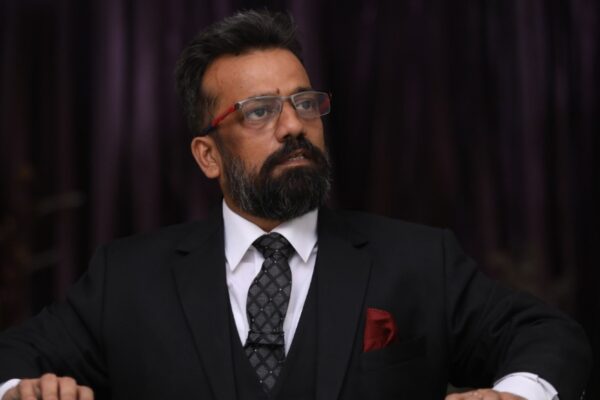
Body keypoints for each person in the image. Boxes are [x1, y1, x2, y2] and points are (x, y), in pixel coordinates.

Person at [0, 9, 592, 400]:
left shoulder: (418, 260)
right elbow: (12, 357)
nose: (292, 127)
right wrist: (24, 390)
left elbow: (549, 336)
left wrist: (518, 393)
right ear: (207, 155)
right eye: (259, 111)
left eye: (304, 103)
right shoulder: (126, 278)